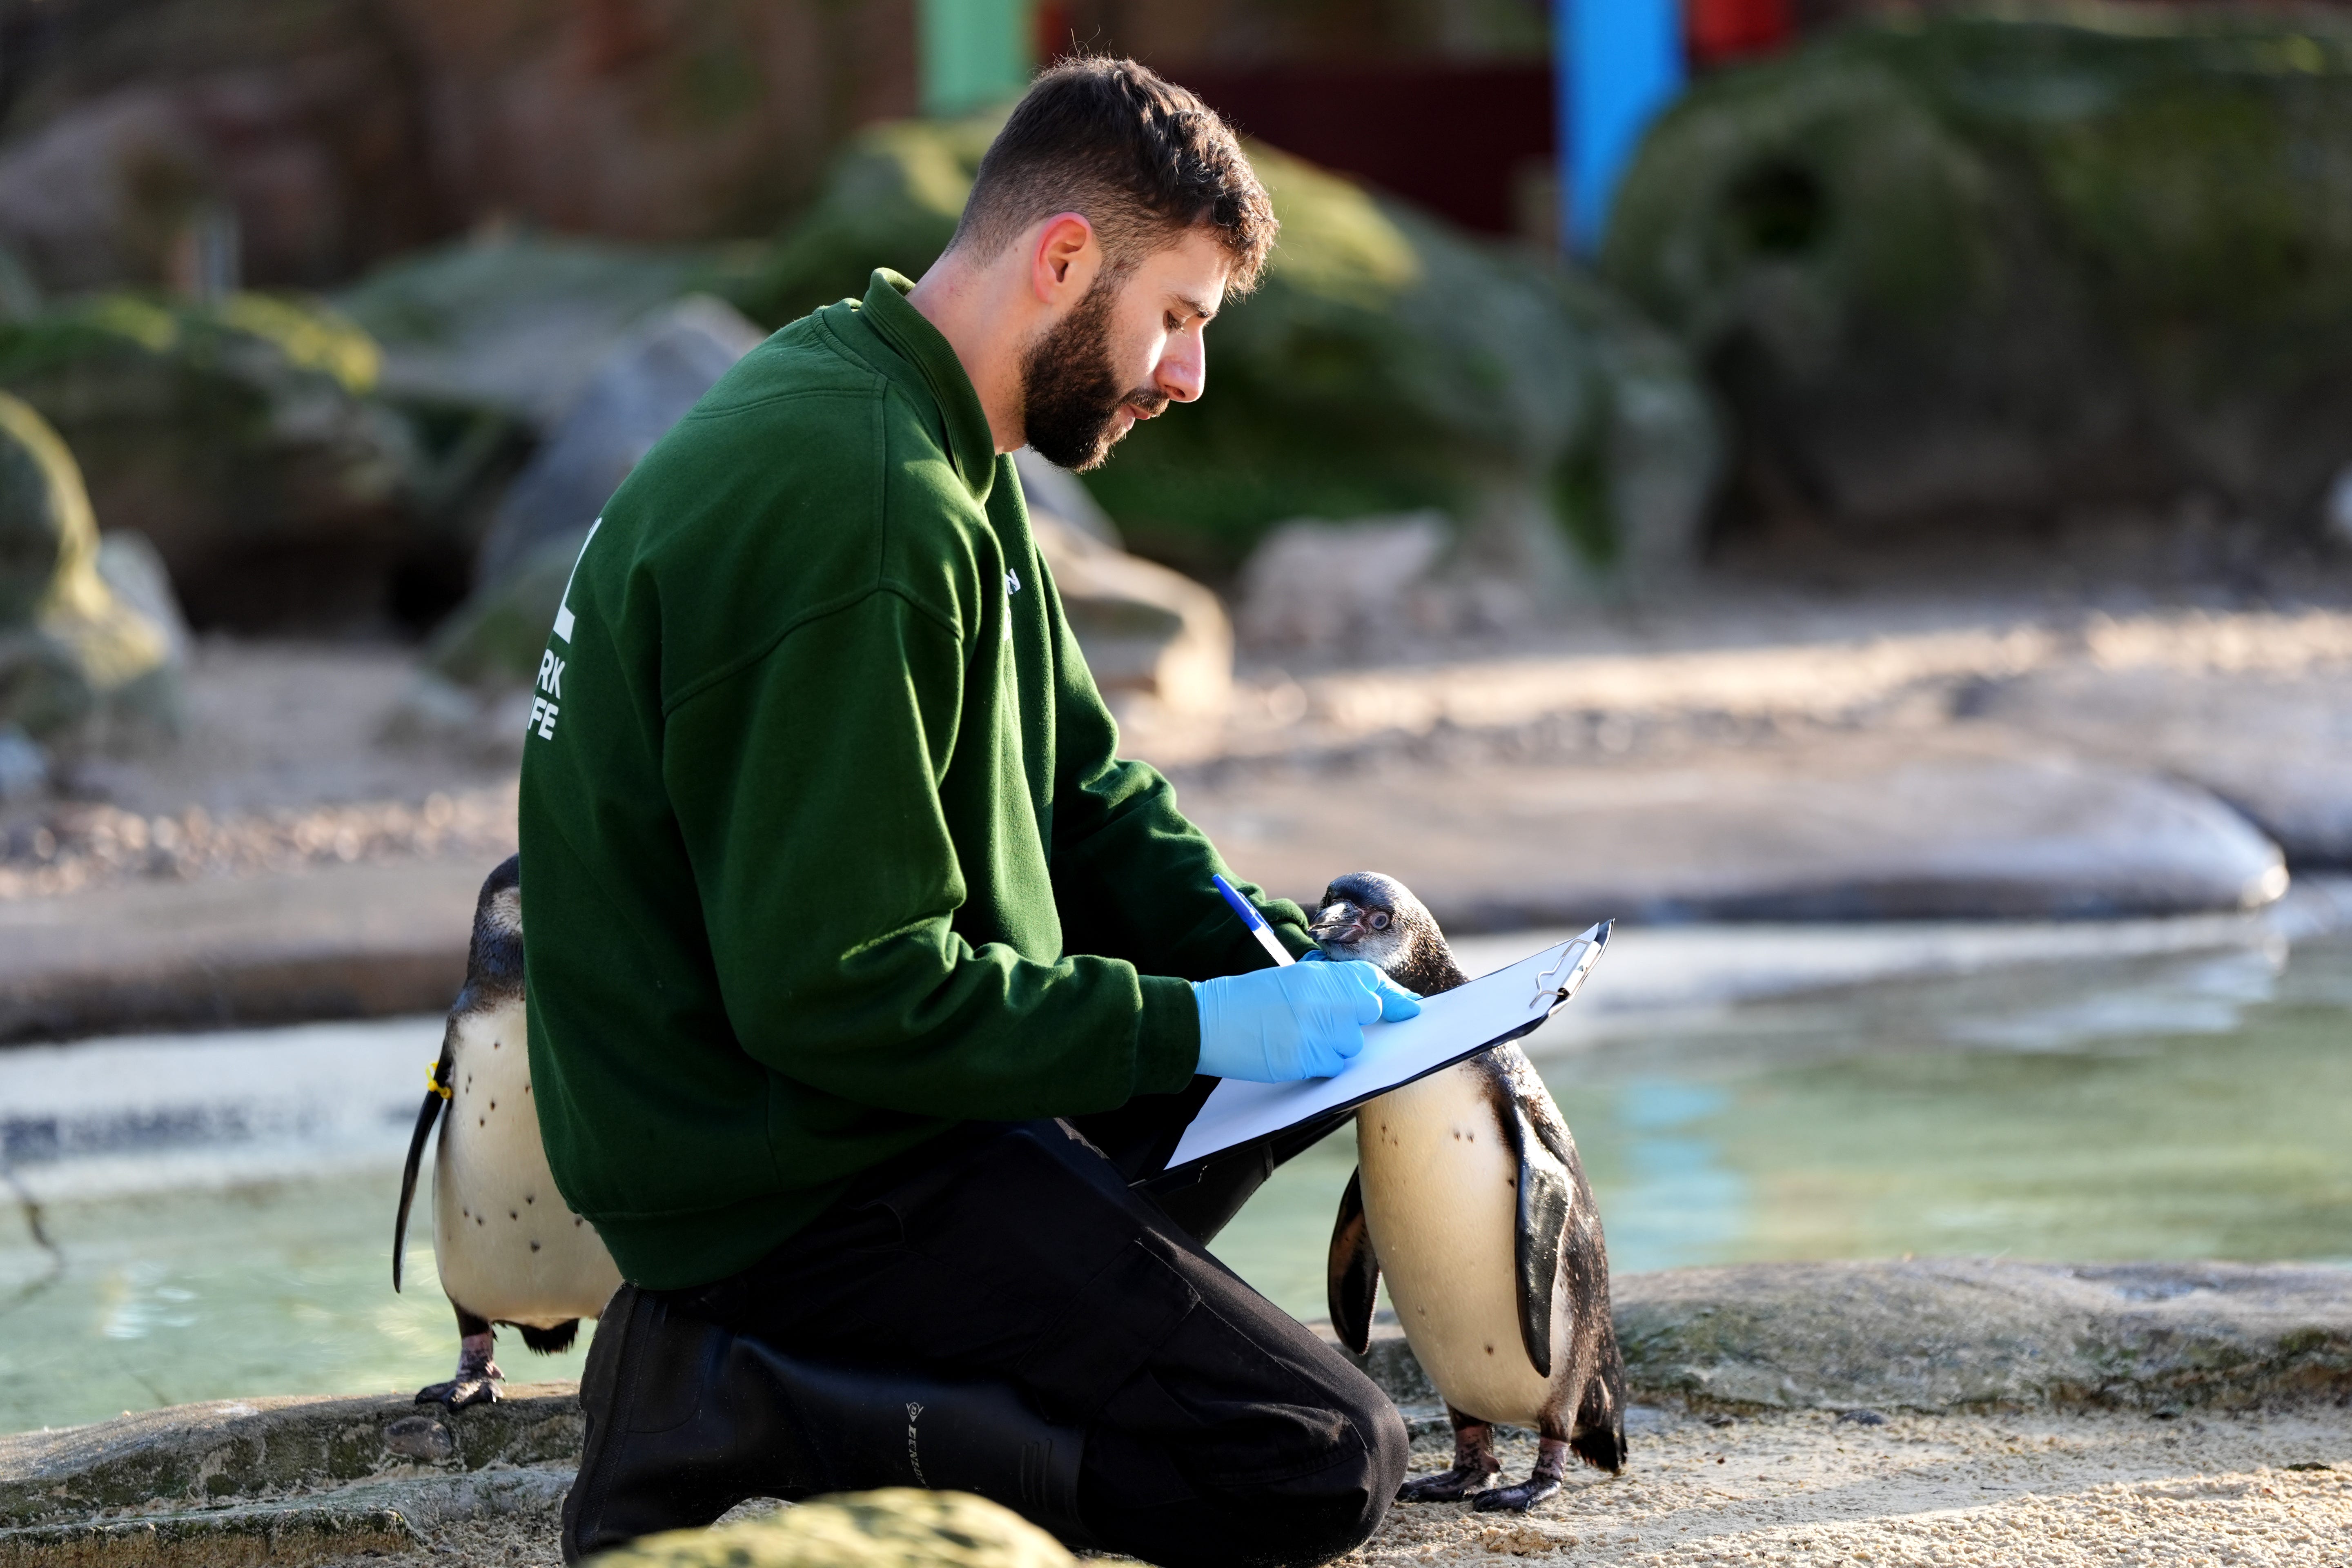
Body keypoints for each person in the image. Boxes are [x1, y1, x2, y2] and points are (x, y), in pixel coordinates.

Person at [518, 56, 1420, 1568]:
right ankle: (741, 1396)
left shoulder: (931, 414)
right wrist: (1190, 1029)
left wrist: (1250, 964)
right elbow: (843, 992)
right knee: (1319, 1457)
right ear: (1067, 260)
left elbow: (1086, 783)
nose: (1189, 375)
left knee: (1316, 1042)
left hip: (885, 1099)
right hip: (789, 1174)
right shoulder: (864, 497)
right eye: (1179, 317)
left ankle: (927, 1345)